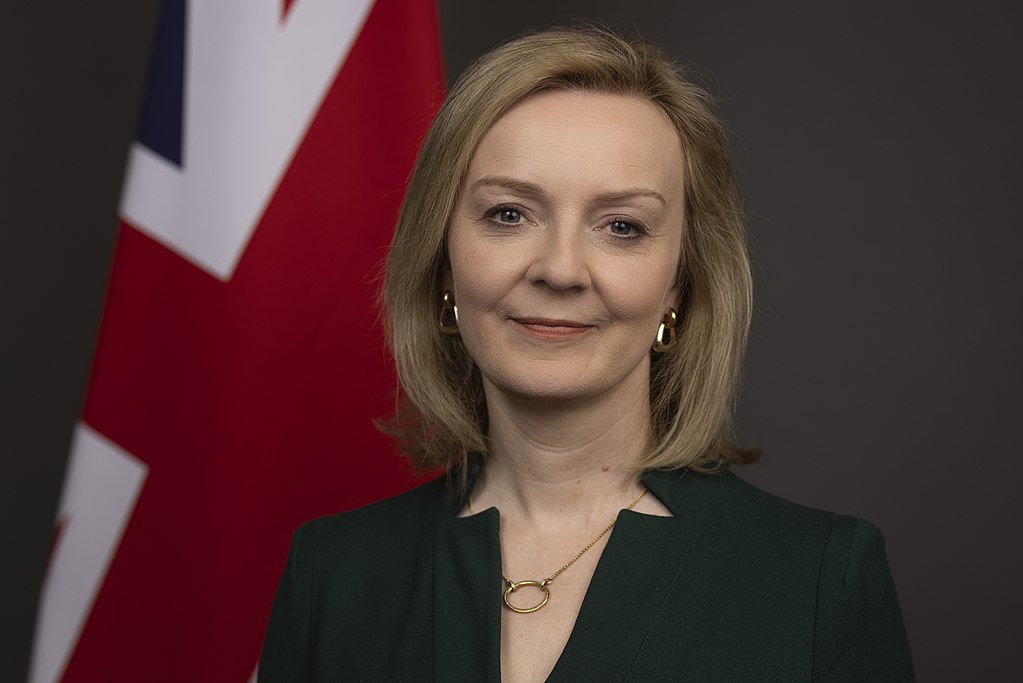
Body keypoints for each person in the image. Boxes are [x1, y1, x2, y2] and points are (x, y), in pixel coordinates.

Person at [258, 25, 914, 682]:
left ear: (677, 288)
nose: (561, 268)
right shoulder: (332, 575)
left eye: (621, 226)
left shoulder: (822, 579)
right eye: (510, 214)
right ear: (444, 259)